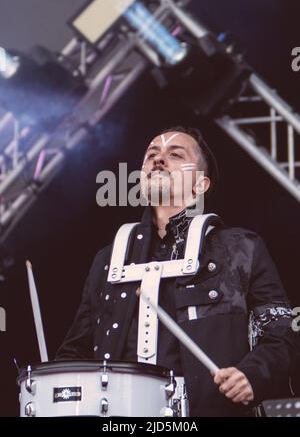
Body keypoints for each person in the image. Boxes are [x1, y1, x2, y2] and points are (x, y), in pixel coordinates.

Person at [56, 126, 295, 417]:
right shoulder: (108, 259)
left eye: (176, 154)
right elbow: (76, 351)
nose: (158, 160)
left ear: (200, 185)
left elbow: (282, 333)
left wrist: (252, 375)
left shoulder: (241, 248)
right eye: (151, 155)